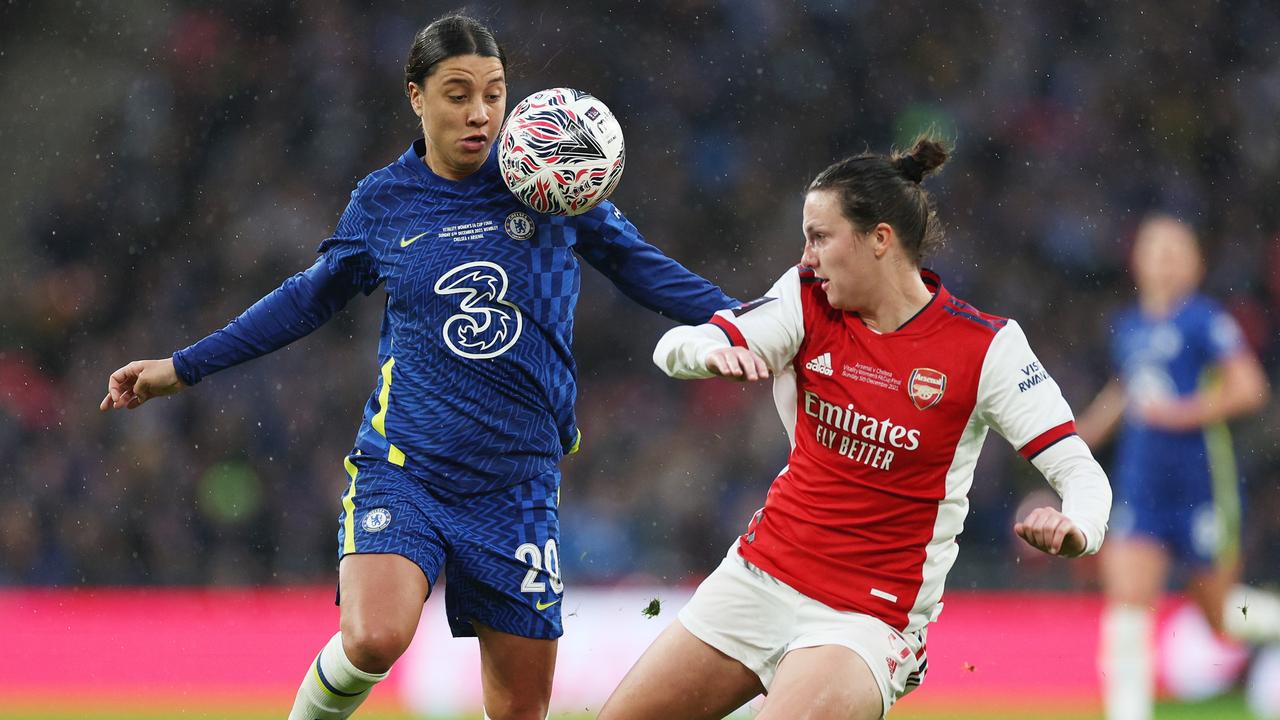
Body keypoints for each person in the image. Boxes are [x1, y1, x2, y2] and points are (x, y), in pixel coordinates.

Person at [98, 14, 736, 720]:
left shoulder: (548, 182)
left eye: (494, 93)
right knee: (375, 636)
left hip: (518, 483)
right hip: (408, 466)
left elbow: (647, 271)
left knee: (521, 709)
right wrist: (183, 367)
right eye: (458, 93)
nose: (481, 112)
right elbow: (306, 301)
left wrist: (753, 322)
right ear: (416, 97)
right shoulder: (384, 201)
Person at [597, 137, 1114, 720]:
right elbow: (681, 343)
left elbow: (1079, 472)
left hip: (866, 618)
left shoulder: (987, 347)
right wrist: (709, 355)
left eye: (820, 236)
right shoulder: (804, 298)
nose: (807, 255)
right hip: (758, 576)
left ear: (879, 240)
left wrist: (1079, 527)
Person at [1075, 215, 1277, 720]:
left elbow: (1250, 388)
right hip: (1142, 487)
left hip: (1202, 485)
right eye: (1155, 249)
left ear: (1195, 264)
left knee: (1222, 618)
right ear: (1137, 261)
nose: (1164, 259)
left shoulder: (1205, 321)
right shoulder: (1129, 327)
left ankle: (1270, 620)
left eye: (1175, 250)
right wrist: (1075, 437)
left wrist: (1181, 413)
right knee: (1127, 603)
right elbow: (1129, 391)